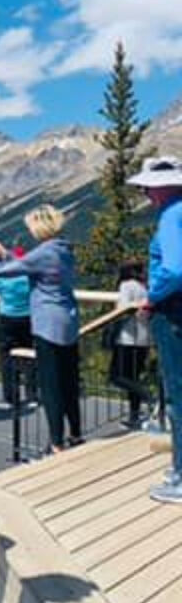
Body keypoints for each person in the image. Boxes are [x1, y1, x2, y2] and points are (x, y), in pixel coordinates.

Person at [0, 207, 81, 452]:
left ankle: (57, 442)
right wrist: (6, 253)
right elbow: (28, 264)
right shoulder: (64, 248)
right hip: (68, 320)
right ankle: (76, 433)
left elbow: (2, 271)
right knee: (69, 381)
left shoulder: (44, 252)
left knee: (51, 384)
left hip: (47, 323)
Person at [128, 155, 182, 503]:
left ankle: (180, 476)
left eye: (149, 186)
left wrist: (151, 297)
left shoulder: (171, 215)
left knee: (177, 391)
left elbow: (175, 269)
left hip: (174, 312)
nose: (146, 192)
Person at [110, 261, 155, 429]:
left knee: (117, 376)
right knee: (133, 376)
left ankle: (147, 396)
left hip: (126, 338)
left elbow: (122, 308)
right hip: (144, 339)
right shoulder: (145, 288)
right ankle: (134, 415)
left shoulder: (126, 285)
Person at [0, 253, 33, 410]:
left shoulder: (2, 280)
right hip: (27, 318)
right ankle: (32, 393)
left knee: (7, 357)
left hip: (7, 319)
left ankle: (11, 397)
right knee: (29, 356)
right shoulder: (28, 279)